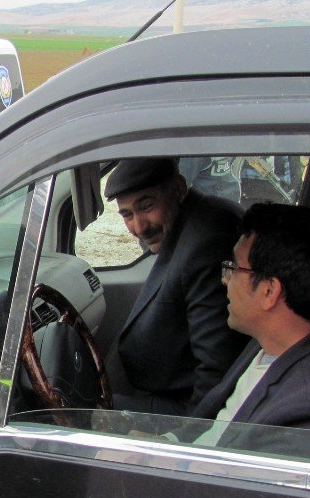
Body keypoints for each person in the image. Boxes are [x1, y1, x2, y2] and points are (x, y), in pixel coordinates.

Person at [187, 204, 310, 448]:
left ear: (269, 291)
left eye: (233, 268)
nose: (224, 279)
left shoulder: (305, 410)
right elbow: (212, 424)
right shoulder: (267, 344)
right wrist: (165, 442)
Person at [105, 158, 249, 415]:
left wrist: (182, 440)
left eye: (147, 206)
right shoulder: (191, 224)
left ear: (179, 189)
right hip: (168, 391)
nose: (139, 227)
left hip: (185, 409)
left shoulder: (206, 242)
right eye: (127, 214)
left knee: (86, 413)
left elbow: (216, 368)